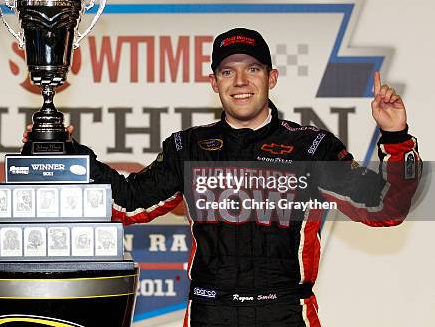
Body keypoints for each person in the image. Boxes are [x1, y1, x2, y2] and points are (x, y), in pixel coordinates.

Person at [22, 28, 421, 326]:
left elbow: (386, 209)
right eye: (228, 72)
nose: (241, 82)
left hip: (285, 312)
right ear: (214, 83)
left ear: (272, 77)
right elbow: (127, 202)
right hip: (211, 312)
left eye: (252, 69)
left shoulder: (310, 148)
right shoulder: (187, 147)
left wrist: (396, 137)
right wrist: (67, 157)